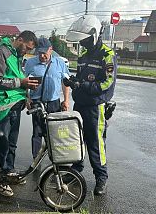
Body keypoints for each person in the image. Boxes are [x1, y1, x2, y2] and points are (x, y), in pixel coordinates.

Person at [65, 15, 117, 196]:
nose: (83, 43)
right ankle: (76, 170)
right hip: (80, 104)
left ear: (94, 35)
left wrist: (85, 86)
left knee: (96, 143)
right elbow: (80, 78)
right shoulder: (83, 55)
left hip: (96, 106)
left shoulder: (107, 55)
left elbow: (107, 83)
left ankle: (101, 178)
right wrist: (74, 82)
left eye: (85, 40)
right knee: (77, 139)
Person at [0, 31, 39, 197]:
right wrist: (21, 82)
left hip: (16, 106)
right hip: (3, 106)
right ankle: (0, 182)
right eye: (27, 47)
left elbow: (19, 78)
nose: (27, 52)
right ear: (20, 40)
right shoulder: (0, 52)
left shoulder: (17, 56)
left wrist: (27, 93)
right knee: (2, 145)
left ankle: (9, 173)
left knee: (12, 144)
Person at [24, 37, 70, 159]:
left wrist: (66, 100)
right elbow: (24, 82)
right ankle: (36, 160)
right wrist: (27, 98)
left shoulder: (60, 63)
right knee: (37, 132)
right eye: (39, 52)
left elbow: (65, 82)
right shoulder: (30, 63)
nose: (42, 55)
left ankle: (56, 159)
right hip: (37, 102)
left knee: (54, 132)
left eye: (44, 52)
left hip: (54, 103)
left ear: (51, 50)